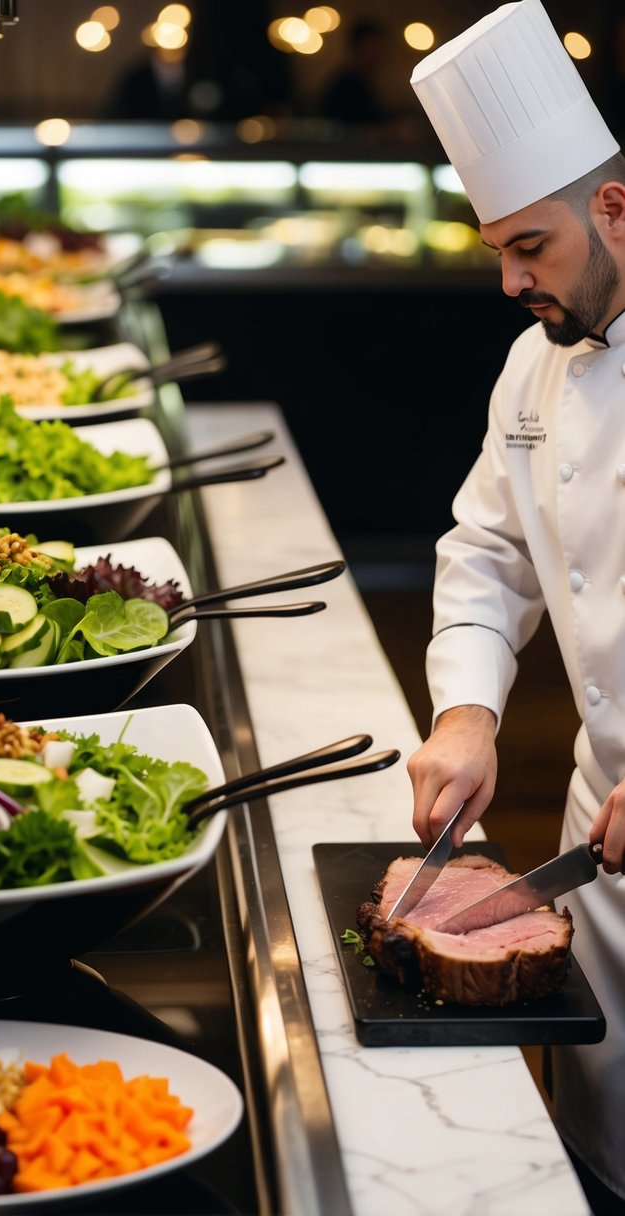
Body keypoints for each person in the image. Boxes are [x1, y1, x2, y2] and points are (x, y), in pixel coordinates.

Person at [406, 0, 625, 1210]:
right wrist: (467, 711)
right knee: (594, 1151)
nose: (509, 280)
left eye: (529, 246)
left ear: (614, 207)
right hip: (599, 829)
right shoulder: (535, 360)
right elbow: (486, 547)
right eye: (495, 248)